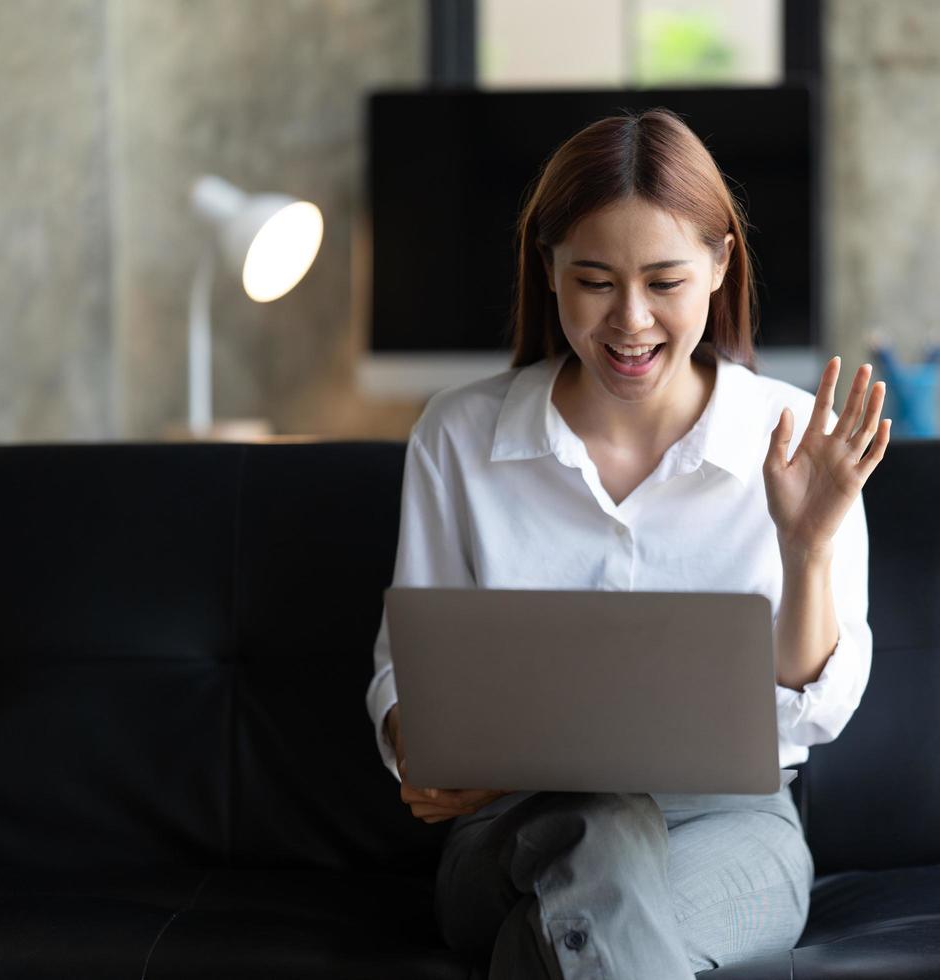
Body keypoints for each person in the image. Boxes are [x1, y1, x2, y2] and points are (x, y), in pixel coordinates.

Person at [363, 108, 890, 978]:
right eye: (596, 281)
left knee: (568, 936)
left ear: (721, 264)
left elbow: (813, 712)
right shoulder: (457, 435)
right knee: (599, 831)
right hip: (512, 828)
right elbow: (406, 675)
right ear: (549, 269)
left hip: (730, 827)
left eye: (665, 281)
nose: (631, 320)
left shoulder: (796, 436)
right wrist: (419, 740)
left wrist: (808, 549)